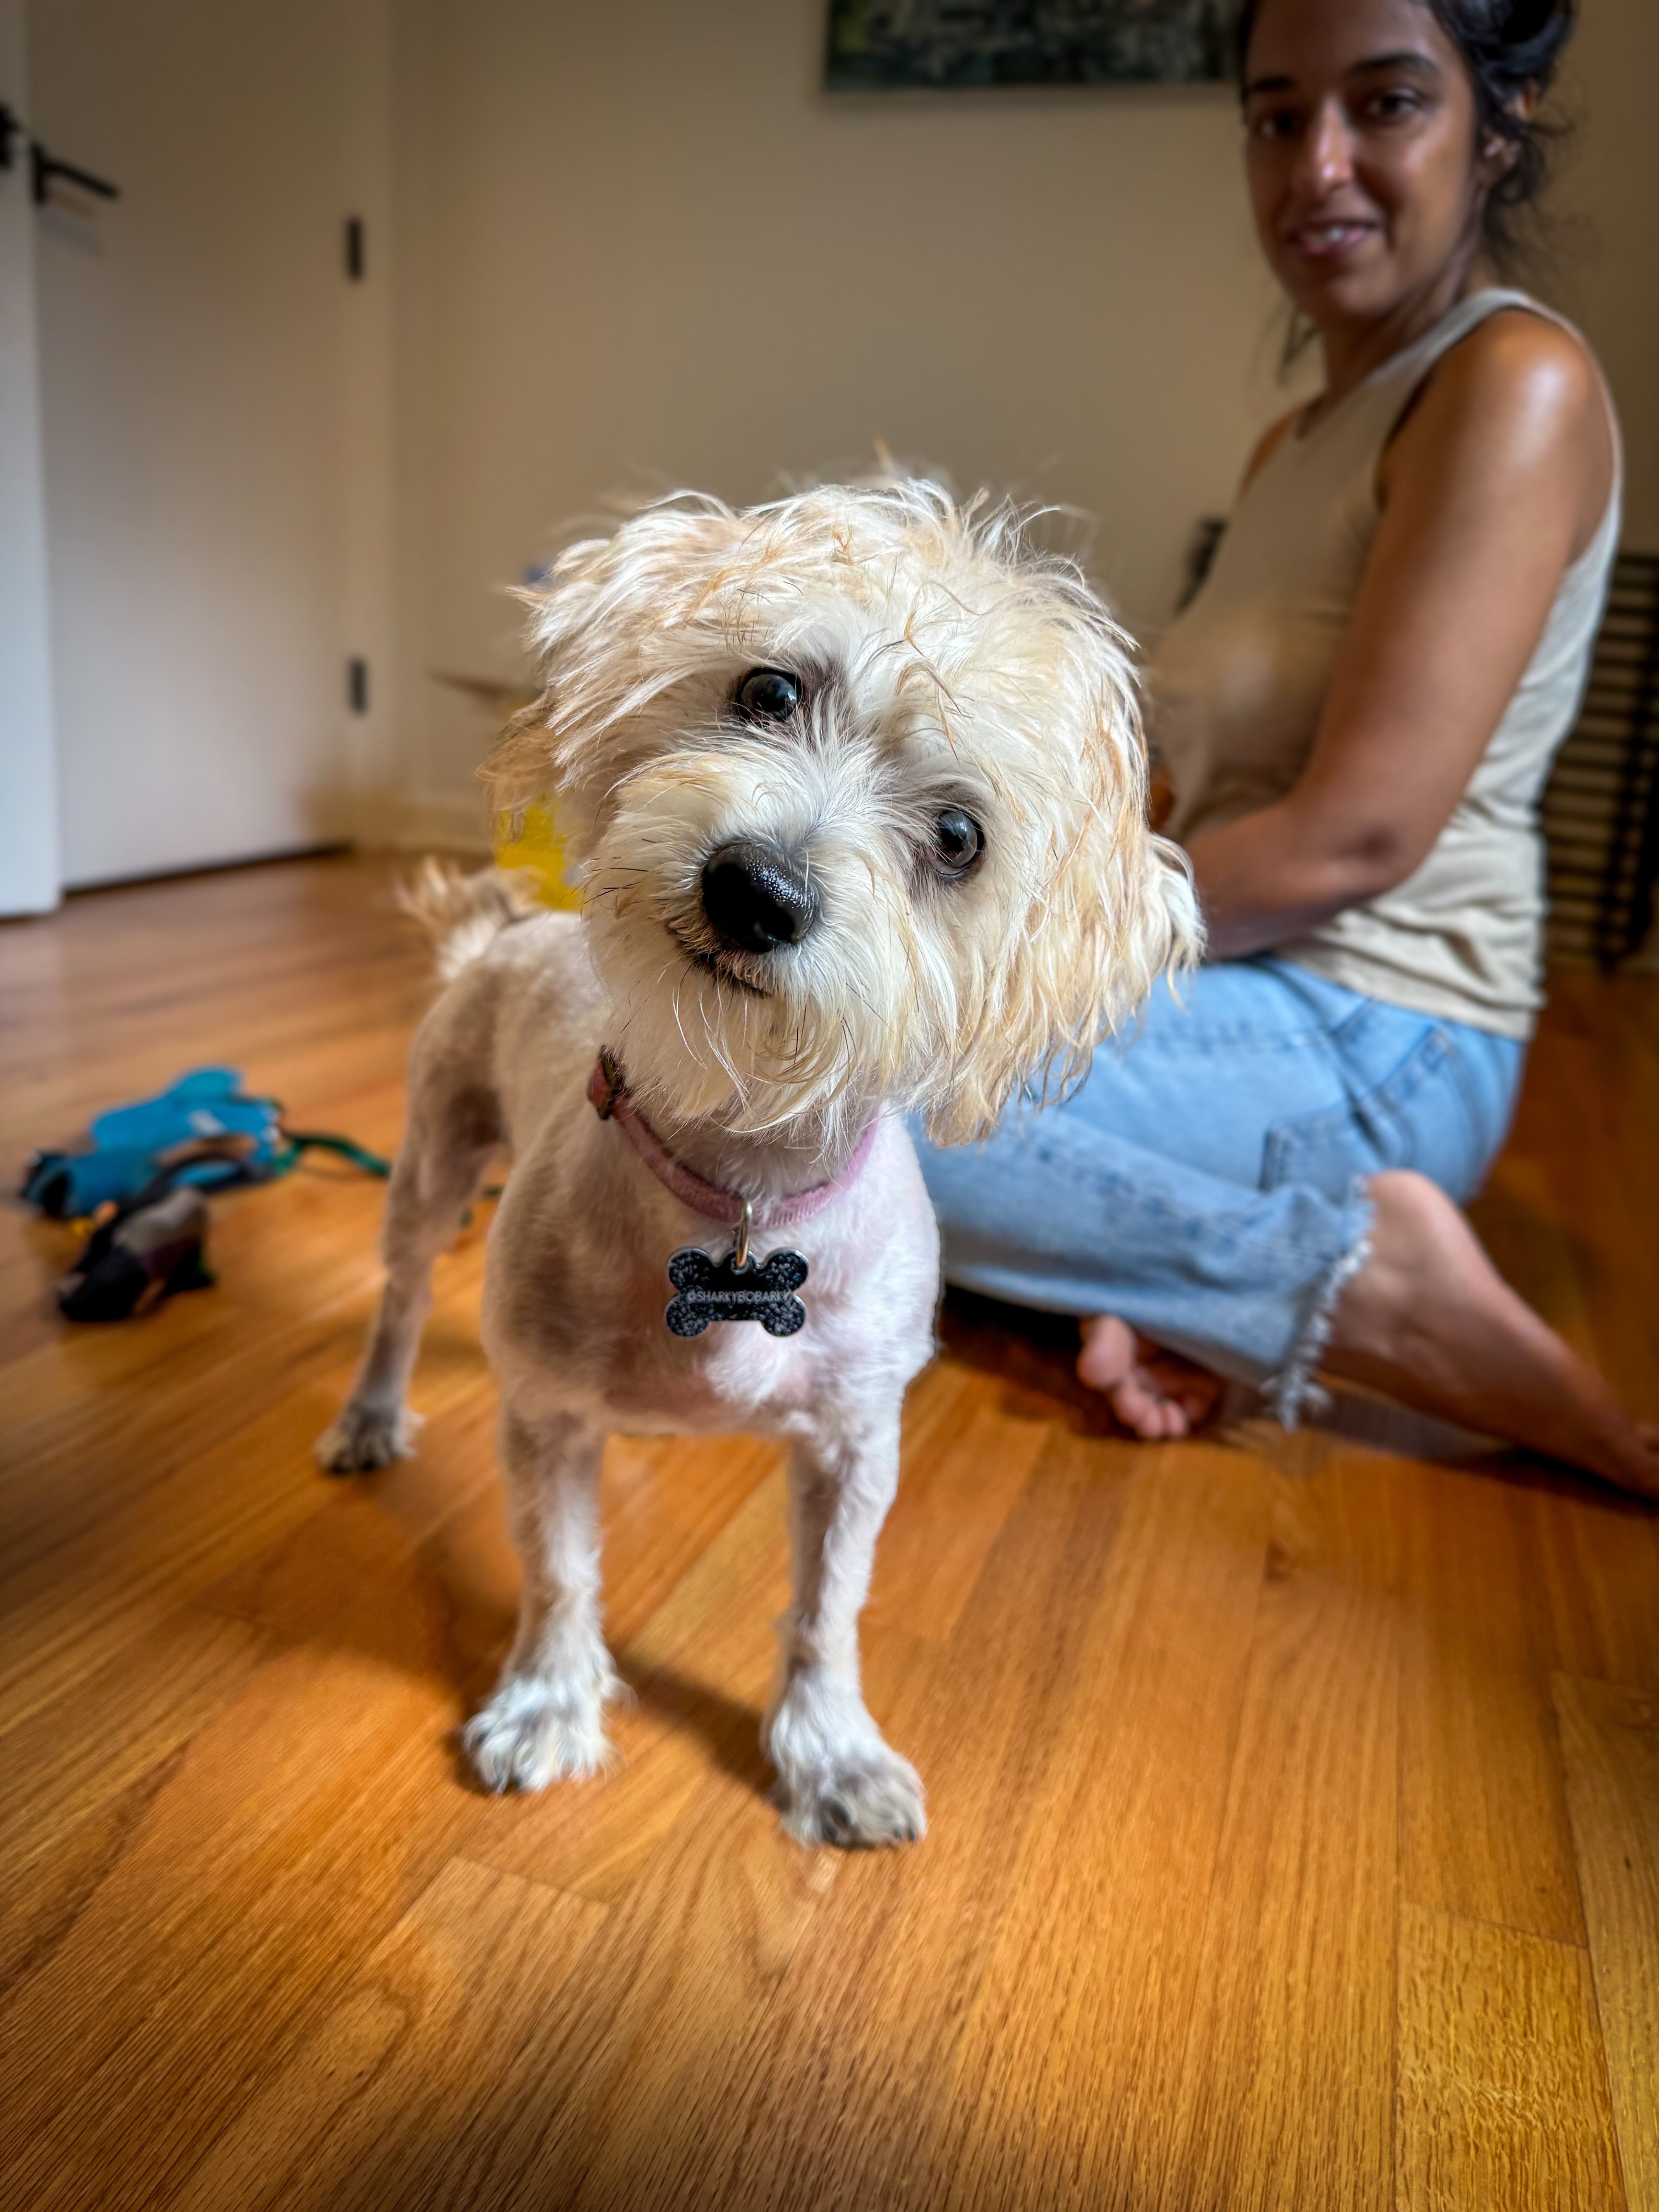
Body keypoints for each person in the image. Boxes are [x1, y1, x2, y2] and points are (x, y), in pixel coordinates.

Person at [917, 0, 1659, 1496]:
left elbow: (1350, 841)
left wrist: (1012, 948)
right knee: (791, 1038)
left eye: (1385, 104)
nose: (1316, 164)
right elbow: (1192, 785)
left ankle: (1347, 1281)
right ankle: (1161, 1278)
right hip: (1239, 991)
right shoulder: (1296, 442)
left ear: (1496, 125)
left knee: (816, 1089)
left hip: (1378, 1030)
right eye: (1275, 116)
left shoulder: (1510, 382)